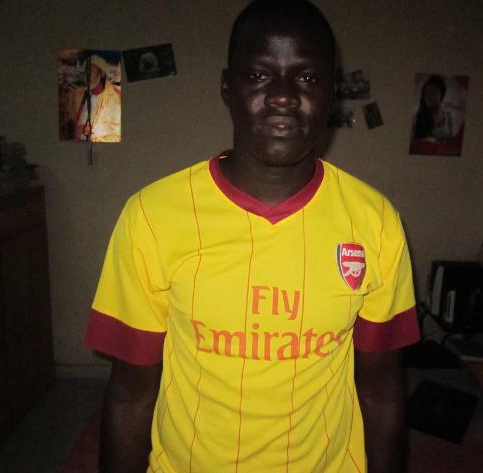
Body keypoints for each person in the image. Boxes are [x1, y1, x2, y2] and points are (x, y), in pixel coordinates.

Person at [85, 1, 419, 472]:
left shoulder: (376, 222)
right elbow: (130, 397)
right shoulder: (152, 217)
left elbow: (382, 393)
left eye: (307, 77)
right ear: (228, 87)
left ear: (332, 92)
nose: (283, 96)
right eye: (260, 75)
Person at [59, 53, 121, 142]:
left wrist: (91, 136)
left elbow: (116, 136)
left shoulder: (114, 98)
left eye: (91, 71)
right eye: (86, 72)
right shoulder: (78, 94)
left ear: (102, 73)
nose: (87, 75)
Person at [413, 75, 452, 143]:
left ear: (442, 95)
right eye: (427, 94)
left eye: (434, 93)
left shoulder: (448, 116)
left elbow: (451, 141)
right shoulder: (419, 117)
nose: (429, 97)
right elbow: (412, 143)